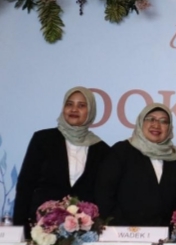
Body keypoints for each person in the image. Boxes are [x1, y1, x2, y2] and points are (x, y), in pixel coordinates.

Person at [13, 87, 110, 228]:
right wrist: (19, 227)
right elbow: (25, 185)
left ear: (90, 112)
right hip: (41, 228)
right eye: (69, 104)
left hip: (83, 231)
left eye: (81, 105)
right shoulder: (43, 140)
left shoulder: (101, 150)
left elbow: (103, 195)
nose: (74, 109)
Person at [96, 104, 176, 226]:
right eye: (151, 119)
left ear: (169, 128)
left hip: (164, 234)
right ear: (141, 122)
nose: (156, 125)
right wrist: (119, 226)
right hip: (123, 231)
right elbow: (104, 192)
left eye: (163, 121)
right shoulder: (122, 151)